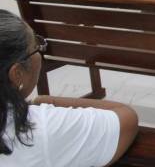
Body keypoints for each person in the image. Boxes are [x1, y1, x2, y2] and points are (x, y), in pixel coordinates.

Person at [0, 9, 138, 167]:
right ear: (17, 74)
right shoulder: (41, 128)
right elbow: (127, 118)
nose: (39, 54)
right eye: (35, 47)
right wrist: (47, 101)